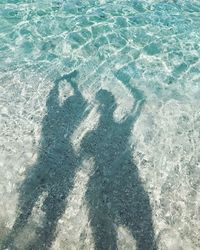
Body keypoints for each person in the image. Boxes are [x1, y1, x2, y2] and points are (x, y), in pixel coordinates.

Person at [3, 70, 88, 250]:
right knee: (51, 215)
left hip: (44, 163)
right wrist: (73, 84)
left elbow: (54, 98)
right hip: (64, 165)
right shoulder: (71, 124)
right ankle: (40, 244)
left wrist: (61, 81)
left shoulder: (50, 118)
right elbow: (82, 101)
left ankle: (9, 241)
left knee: (27, 208)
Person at [80, 86, 156, 250]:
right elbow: (140, 99)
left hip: (102, 192)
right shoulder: (123, 127)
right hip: (128, 187)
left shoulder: (90, 138)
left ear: (98, 109)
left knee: (105, 245)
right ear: (114, 106)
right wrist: (125, 81)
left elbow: (77, 162)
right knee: (146, 242)